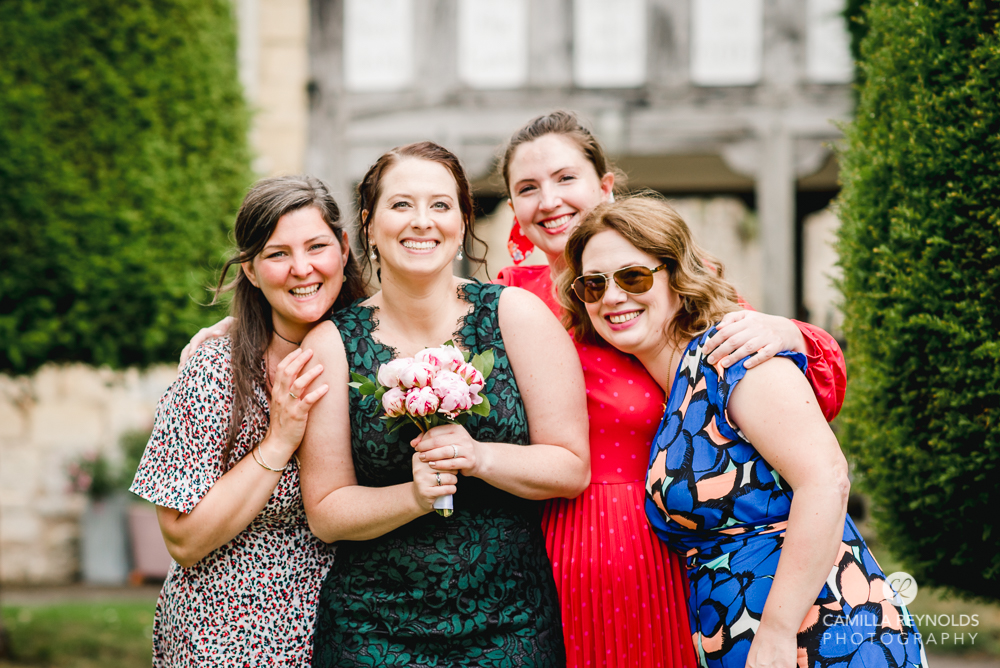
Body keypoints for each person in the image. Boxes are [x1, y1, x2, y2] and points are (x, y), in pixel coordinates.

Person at [495, 110, 848, 667]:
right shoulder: (506, 303)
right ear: (513, 208)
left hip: (670, 538)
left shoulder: (666, 279)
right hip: (553, 545)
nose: (549, 200)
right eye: (527, 188)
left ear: (605, 186)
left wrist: (794, 335)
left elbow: (766, 386)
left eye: (566, 178)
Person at [558, 194, 927, 668]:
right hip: (746, 639)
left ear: (676, 277)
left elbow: (826, 478)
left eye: (633, 276)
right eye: (593, 284)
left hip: (822, 635)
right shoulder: (676, 386)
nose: (611, 296)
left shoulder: (730, 354)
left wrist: (776, 632)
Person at [297, 141, 590, 667]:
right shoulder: (332, 343)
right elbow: (326, 513)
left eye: (440, 205)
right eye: (401, 204)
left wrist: (479, 458)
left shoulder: (515, 316)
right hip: (372, 628)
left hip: (510, 622)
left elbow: (570, 468)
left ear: (461, 220)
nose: (421, 222)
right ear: (369, 223)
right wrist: (413, 496)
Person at [130, 176, 367, 667]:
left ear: (344, 249)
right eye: (277, 254)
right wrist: (277, 443)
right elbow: (182, 539)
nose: (302, 268)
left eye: (317, 246)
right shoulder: (214, 368)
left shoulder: (383, 358)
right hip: (228, 634)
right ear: (252, 271)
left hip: (358, 627)